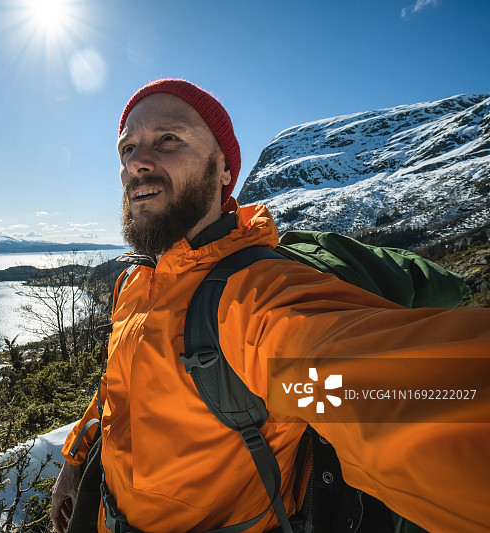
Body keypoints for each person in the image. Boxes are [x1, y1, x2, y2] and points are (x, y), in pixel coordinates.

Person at [50, 79, 490, 533]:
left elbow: (385, 391)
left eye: (169, 140)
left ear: (224, 170)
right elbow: (116, 386)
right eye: (127, 148)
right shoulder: (137, 282)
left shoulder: (251, 301)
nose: (138, 162)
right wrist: (74, 459)